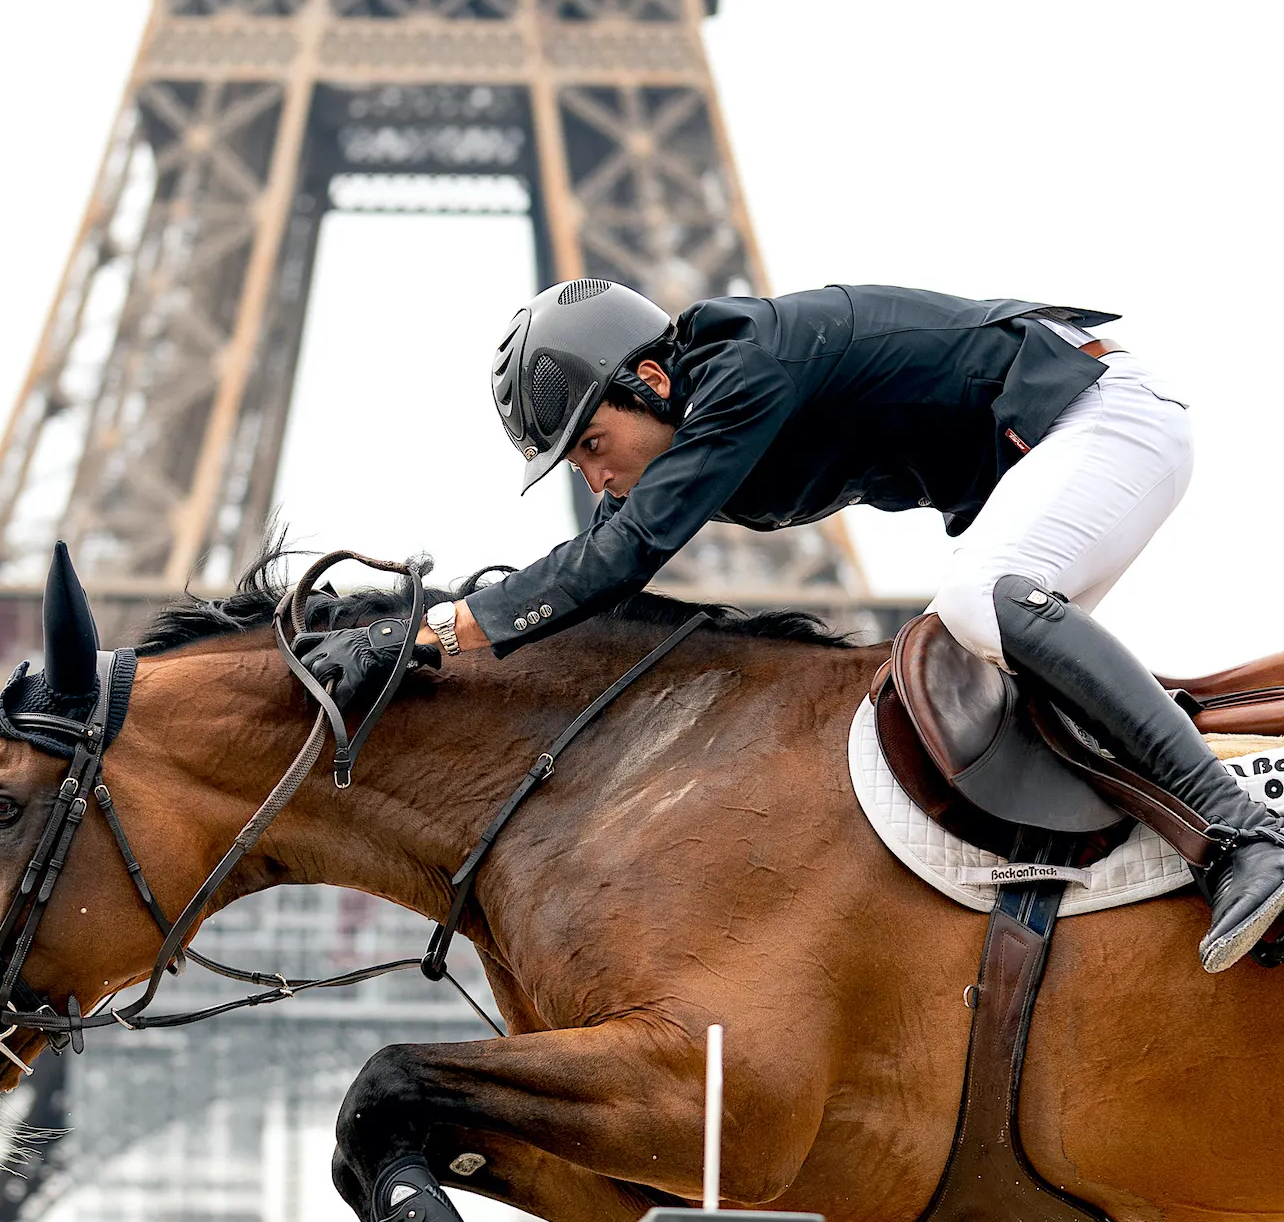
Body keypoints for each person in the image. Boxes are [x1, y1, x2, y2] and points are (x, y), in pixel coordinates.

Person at [293, 281, 1284, 974]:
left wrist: (418, 634)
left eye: (593, 442)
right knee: (986, 687)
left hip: (1102, 415)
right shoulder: (692, 411)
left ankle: (1245, 842)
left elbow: (615, 561)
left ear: (652, 381)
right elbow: (586, 601)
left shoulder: (746, 373)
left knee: (979, 606)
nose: (593, 476)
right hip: (1052, 451)